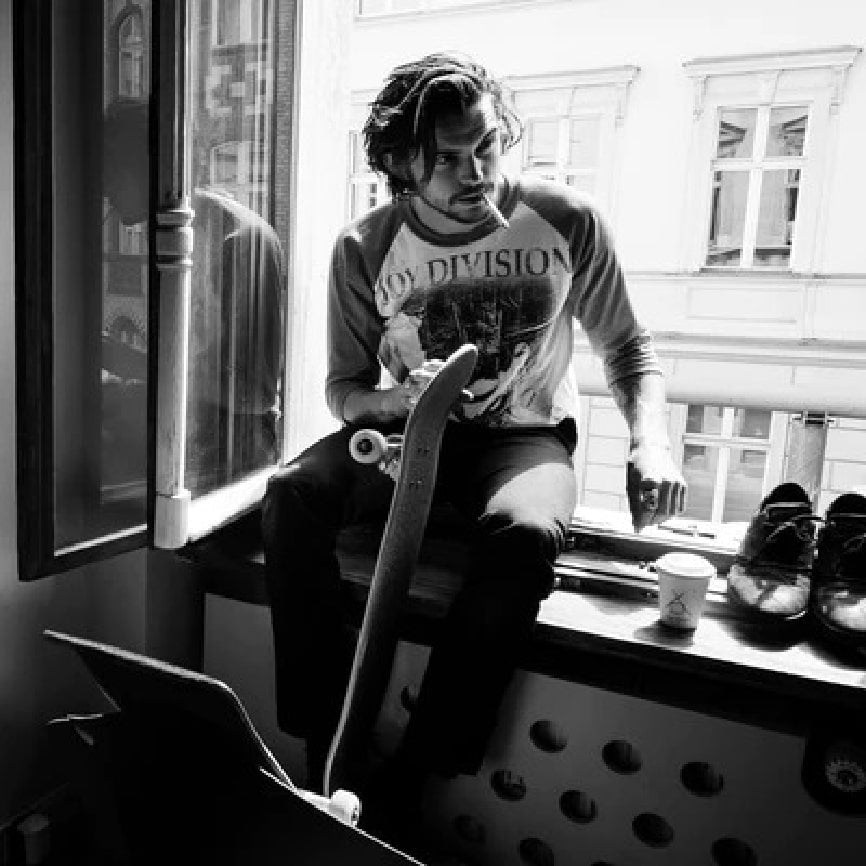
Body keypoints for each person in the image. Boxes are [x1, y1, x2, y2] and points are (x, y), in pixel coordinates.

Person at [261, 52, 685, 847]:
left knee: (524, 536)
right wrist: (399, 402)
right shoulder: (364, 247)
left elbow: (630, 347)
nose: (476, 171)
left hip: (522, 438)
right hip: (407, 435)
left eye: (486, 145)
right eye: (448, 159)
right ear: (401, 164)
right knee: (292, 495)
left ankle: (413, 776)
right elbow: (344, 389)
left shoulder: (566, 219)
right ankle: (326, 745)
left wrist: (651, 442)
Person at [102, 97, 285, 490]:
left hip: (227, 463)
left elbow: (253, 394)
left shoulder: (239, 240)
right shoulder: (170, 233)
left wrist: (130, 365)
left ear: (149, 164)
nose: (104, 188)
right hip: (197, 443)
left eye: (112, 167)